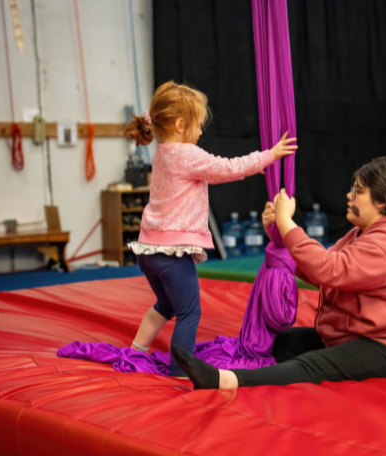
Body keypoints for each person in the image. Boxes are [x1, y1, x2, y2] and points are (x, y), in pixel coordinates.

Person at [172, 156, 386, 389]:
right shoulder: (364, 234)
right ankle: (252, 370)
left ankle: (225, 380)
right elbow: (319, 268)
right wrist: (279, 235)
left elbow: (329, 269)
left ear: (382, 202)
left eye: (358, 192)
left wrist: (287, 223)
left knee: (311, 365)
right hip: (367, 333)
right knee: (284, 343)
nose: (349, 196)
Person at [124, 81, 297, 377]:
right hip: (171, 253)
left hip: (147, 251)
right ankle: (180, 370)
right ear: (180, 124)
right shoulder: (187, 154)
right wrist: (269, 155)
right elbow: (228, 168)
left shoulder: (163, 153)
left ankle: (135, 351)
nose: (201, 132)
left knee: (165, 306)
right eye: (197, 125)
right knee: (190, 313)